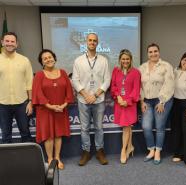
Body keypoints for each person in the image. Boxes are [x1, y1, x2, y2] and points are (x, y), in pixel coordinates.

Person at [72, 33, 110, 166]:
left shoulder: (104, 60)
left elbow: (107, 81)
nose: (92, 42)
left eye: (94, 41)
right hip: (83, 100)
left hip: (98, 100)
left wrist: (95, 95)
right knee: (85, 128)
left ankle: (100, 151)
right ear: (86, 42)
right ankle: (86, 152)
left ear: (97, 43)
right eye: (90, 40)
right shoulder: (78, 60)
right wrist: (86, 95)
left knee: (99, 127)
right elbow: (75, 80)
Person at [32, 49, 74, 170]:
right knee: (49, 136)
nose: (48, 59)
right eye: (45, 58)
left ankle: (57, 158)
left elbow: (69, 92)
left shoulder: (63, 72)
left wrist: (64, 105)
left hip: (61, 110)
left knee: (58, 135)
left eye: (50, 57)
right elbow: (38, 93)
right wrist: (50, 106)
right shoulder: (39, 75)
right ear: (42, 62)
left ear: (54, 58)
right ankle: (50, 159)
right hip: (45, 110)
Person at [139, 43, 174, 164]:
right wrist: (141, 101)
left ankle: (158, 151)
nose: (153, 54)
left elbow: (169, 84)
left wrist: (162, 101)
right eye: (150, 52)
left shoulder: (166, 66)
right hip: (147, 101)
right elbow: (140, 85)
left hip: (162, 101)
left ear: (159, 52)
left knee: (160, 127)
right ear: (147, 53)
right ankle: (151, 149)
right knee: (146, 126)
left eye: (155, 51)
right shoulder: (142, 67)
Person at [0, 32, 33, 143]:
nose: (10, 43)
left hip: (22, 103)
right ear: (2, 42)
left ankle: (28, 159)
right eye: (7, 41)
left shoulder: (24, 60)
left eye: (12, 41)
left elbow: (30, 82)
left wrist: (30, 101)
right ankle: (7, 160)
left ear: (17, 44)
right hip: (2, 104)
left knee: (25, 133)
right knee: (5, 135)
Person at [110, 49, 141, 164]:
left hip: (129, 104)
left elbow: (136, 90)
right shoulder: (116, 71)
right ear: (120, 60)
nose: (125, 61)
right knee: (127, 127)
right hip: (119, 103)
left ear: (131, 60)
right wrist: (118, 97)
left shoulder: (136, 72)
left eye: (127, 59)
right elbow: (113, 86)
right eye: (123, 59)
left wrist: (127, 101)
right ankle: (130, 146)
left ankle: (123, 150)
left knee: (126, 127)